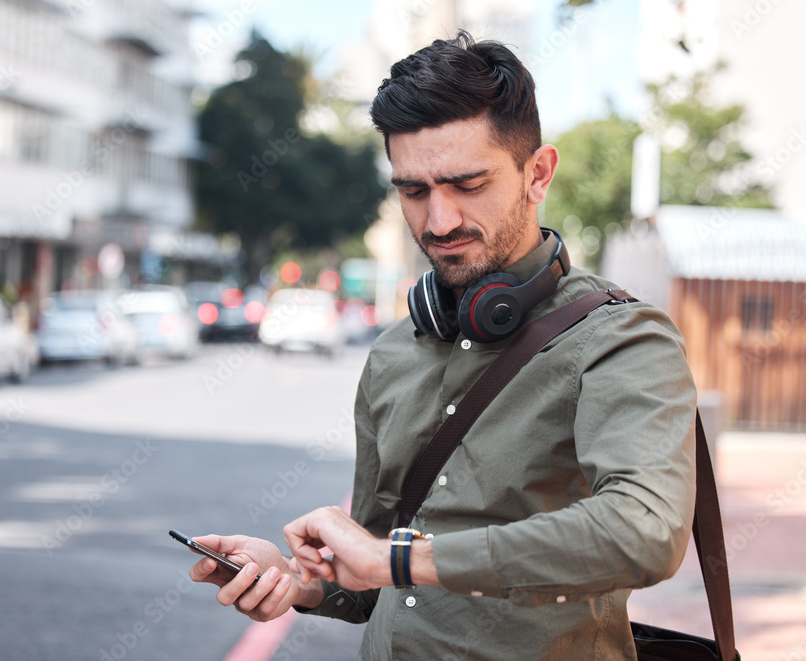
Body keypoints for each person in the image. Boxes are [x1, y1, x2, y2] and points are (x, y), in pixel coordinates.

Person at [189, 31, 697, 660]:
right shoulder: (394, 353)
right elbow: (378, 582)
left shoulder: (620, 338)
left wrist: (402, 559)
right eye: (414, 191)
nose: (439, 221)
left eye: (467, 184)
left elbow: (647, 530)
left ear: (537, 174)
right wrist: (304, 584)